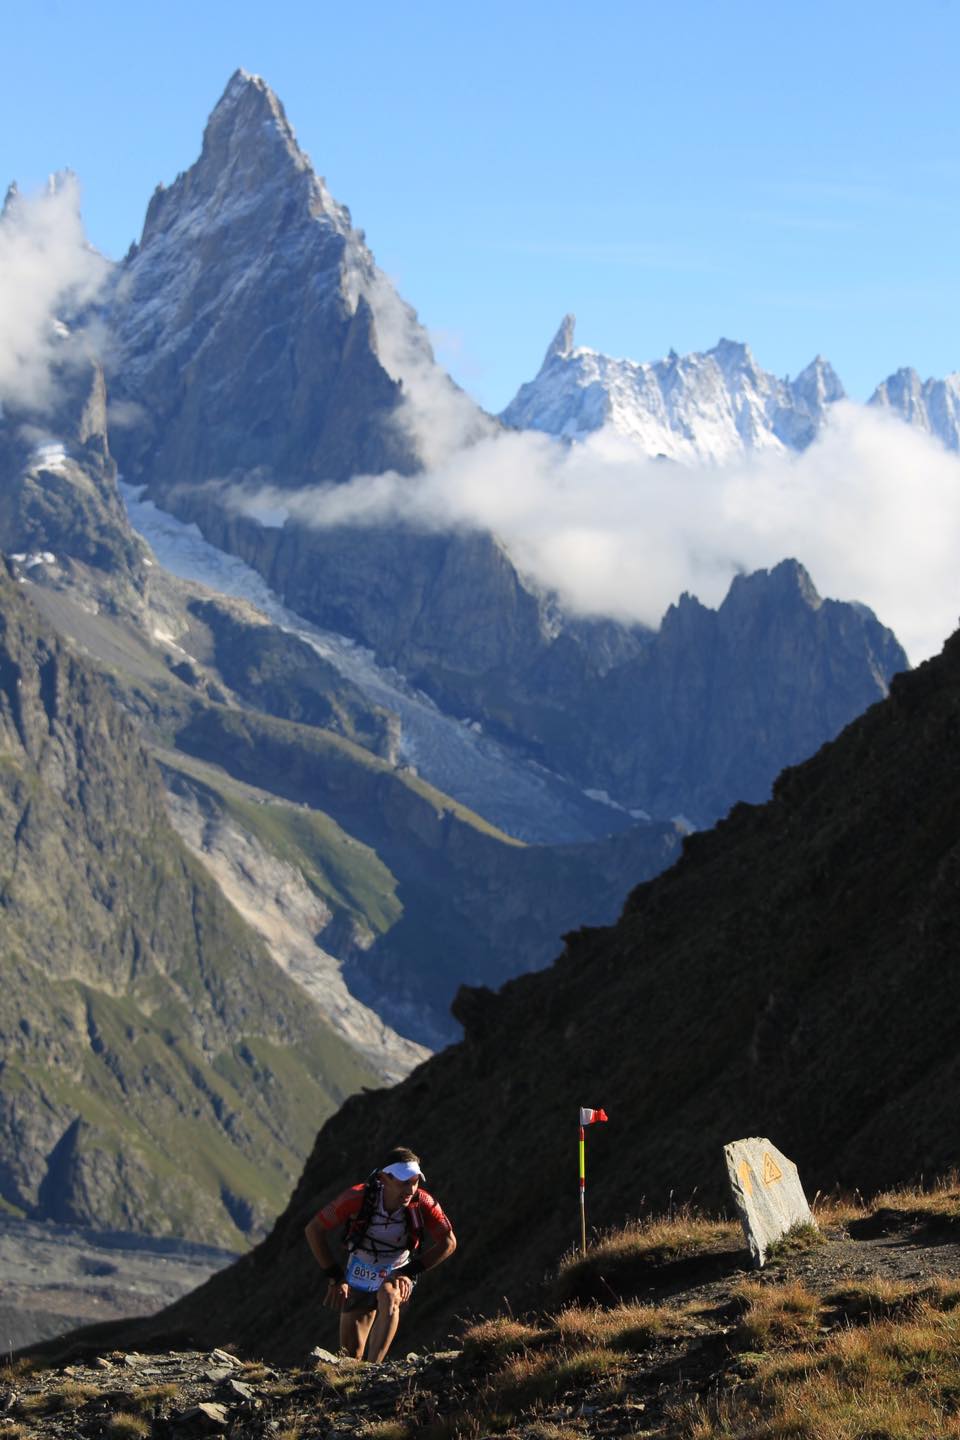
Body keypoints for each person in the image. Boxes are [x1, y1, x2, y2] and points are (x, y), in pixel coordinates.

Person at [304, 1147, 457, 1362]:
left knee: (389, 1295)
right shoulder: (357, 1197)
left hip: (397, 1271)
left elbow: (449, 1243)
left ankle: (373, 1371)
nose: (410, 1189)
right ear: (384, 1177)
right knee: (350, 1355)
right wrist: (335, 1277)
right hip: (359, 1271)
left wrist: (409, 1272)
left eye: (415, 1182)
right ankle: (356, 1379)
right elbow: (314, 1229)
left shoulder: (422, 1203)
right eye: (404, 1182)